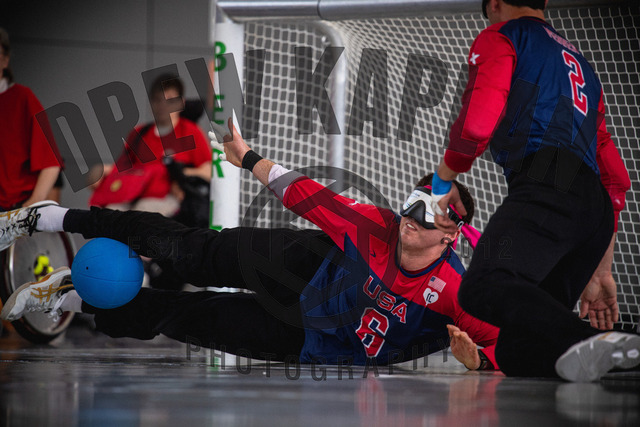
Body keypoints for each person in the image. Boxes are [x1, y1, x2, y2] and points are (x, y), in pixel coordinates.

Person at [0, 122, 497, 370]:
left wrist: (478, 363)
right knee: (191, 251)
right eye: (414, 200)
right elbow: (308, 195)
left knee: (189, 318)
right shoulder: (375, 225)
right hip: (308, 266)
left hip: (311, 341)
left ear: (452, 233)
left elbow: (506, 345)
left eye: (432, 212)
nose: (412, 216)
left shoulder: (457, 290)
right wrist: (248, 157)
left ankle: (73, 295)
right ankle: (46, 216)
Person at [428, 0, 637, 381]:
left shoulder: (504, 36)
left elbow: (476, 126)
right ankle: (611, 362)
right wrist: (601, 268)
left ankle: (598, 340)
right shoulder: (583, 67)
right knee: (520, 351)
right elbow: (615, 177)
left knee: (482, 285)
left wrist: (442, 181)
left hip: (548, 179)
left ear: (494, 4)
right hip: (594, 208)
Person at [89, 74, 212, 218]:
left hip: (168, 198)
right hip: (133, 193)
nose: (163, 105)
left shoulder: (191, 132)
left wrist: (180, 174)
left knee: (142, 214)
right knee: (109, 213)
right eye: (158, 100)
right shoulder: (139, 133)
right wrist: (102, 171)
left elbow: (209, 171)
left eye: (170, 100)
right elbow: (122, 168)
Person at [0, 27, 62, 211]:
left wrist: (30, 207)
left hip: (12, 208)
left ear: (5, 60)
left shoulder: (23, 98)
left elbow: (51, 164)